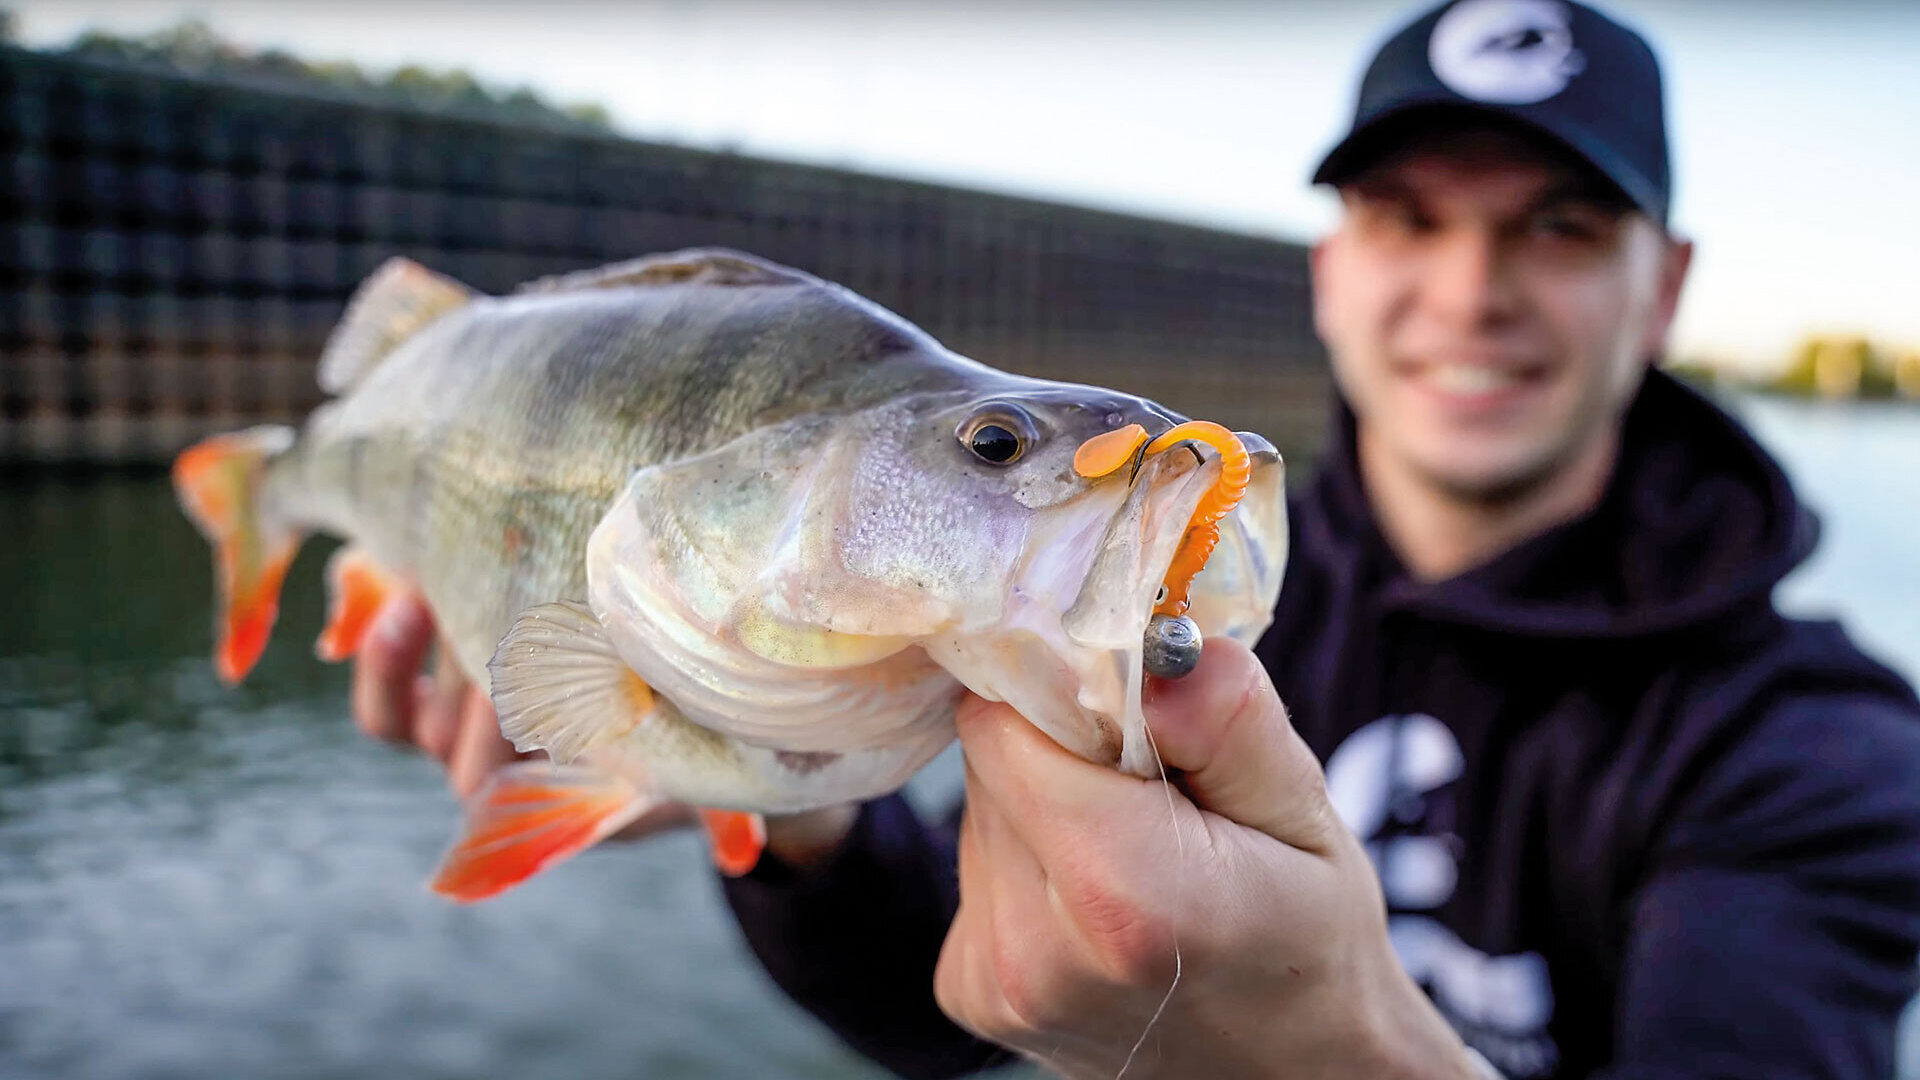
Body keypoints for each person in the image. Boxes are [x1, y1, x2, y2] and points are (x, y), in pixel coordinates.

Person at [350, 2, 1920, 1077]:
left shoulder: (1817, 754)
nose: (1469, 293)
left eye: (1559, 228)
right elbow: (951, 1008)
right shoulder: (1159, 601)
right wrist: (779, 790)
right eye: (1409, 217)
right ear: (1333, 266)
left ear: (1669, 284)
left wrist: (1343, 1051)